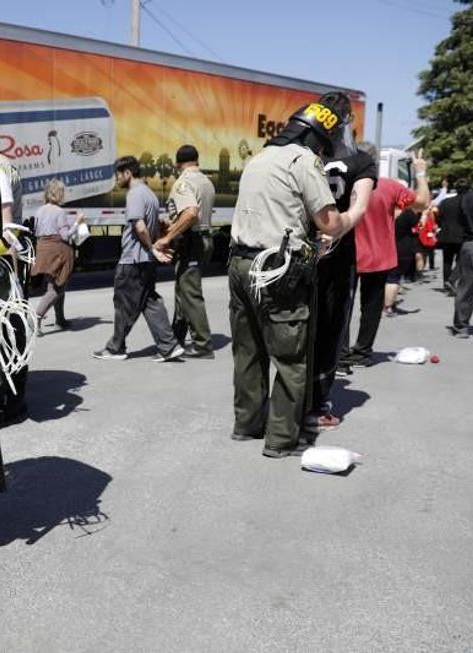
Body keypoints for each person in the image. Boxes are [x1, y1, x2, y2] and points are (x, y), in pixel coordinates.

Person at [228, 100, 356, 458]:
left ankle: (247, 425)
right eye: (323, 145)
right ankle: (282, 439)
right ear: (315, 137)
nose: (322, 152)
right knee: (290, 356)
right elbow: (329, 222)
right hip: (278, 269)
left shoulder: (259, 158)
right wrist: (351, 217)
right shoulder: (303, 161)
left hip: (239, 264)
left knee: (248, 352)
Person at [303, 94, 376, 433]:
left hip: (300, 256)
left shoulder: (305, 156)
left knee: (299, 329)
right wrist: (337, 229)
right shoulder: (360, 161)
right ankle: (317, 404)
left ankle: (291, 399)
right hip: (337, 259)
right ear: (350, 121)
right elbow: (359, 209)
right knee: (330, 332)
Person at [342, 154, 429, 369]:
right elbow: (423, 202)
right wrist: (420, 172)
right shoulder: (388, 186)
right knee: (371, 308)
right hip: (378, 255)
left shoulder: (342, 184)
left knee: (341, 306)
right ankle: (362, 352)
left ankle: (340, 355)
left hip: (345, 254)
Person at [93, 155, 183, 362]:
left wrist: (152, 247)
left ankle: (116, 348)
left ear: (127, 173)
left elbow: (140, 226)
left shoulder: (134, 194)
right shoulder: (150, 194)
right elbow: (156, 223)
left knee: (124, 304)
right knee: (150, 301)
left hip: (132, 260)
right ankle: (168, 346)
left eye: (117, 174)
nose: (116, 179)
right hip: (145, 261)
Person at [153, 144, 216, 359]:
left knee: (189, 292)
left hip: (192, 241)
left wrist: (167, 238)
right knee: (183, 289)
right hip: (204, 238)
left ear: (177, 163)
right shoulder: (206, 181)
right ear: (196, 160)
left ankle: (202, 344)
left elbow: (190, 213)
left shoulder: (183, 183)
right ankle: (176, 338)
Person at [0, 153, 30, 426]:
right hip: (4, 263)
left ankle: (11, 403)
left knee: (7, 335)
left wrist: (12, 275)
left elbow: (7, 231)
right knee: (6, 334)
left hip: (1, 263)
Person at [30, 178, 81, 332]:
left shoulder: (39, 211)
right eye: (62, 192)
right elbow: (65, 236)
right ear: (58, 194)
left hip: (43, 250)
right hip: (57, 251)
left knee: (57, 285)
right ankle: (36, 317)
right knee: (56, 289)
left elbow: (37, 231)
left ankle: (60, 319)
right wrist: (77, 222)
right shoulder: (59, 212)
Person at [451, 178, 473, 346]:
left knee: (465, 287)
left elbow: (461, 220)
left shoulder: (469, 197)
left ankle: (461, 327)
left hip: (470, 243)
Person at [434, 179, 469, 295]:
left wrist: (441, 226)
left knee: (447, 260)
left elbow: (438, 217)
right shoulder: (468, 202)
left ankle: (446, 283)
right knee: (461, 260)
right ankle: (454, 280)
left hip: (446, 234)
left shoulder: (445, 202)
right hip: (462, 235)